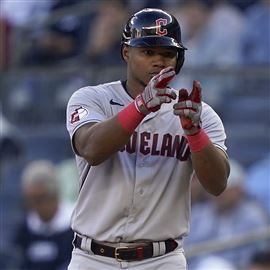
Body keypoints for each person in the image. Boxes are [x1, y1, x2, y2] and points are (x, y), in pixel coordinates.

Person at [66, 8, 230, 270]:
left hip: (162, 259)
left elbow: (217, 184)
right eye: (148, 51)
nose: (158, 61)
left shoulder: (197, 112)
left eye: (167, 54)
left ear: (178, 60)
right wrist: (140, 107)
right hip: (92, 258)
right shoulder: (91, 99)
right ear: (126, 53)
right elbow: (91, 149)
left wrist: (195, 134)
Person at [185, 160, 269, 269]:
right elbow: (186, 249)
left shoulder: (253, 215)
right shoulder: (198, 214)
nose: (220, 194)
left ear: (239, 190)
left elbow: (261, 252)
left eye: (226, 189)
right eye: (215, 189)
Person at [13, 160, 74, 270]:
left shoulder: (75, 227)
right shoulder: (25, 229)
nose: (35, 207)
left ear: (55, 195)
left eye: (39, 200)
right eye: (30, 201)